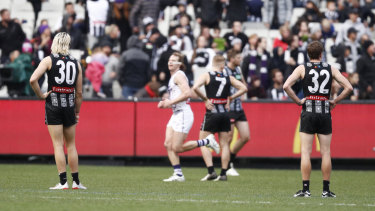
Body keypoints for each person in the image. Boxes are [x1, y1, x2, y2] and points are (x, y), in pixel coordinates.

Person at [283, 41, 353, 197]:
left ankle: (306, 189)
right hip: (324, 113)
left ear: (308, 55)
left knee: (306, 152)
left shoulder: (302, 68)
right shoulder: (331, 69)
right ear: (321, 54)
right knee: (326, 152)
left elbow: (286, 86)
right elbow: (349, 87)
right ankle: (326, 190)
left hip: (308, 112)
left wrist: (298, 101)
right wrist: (335, 100)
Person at [29, 32, 86, 190]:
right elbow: (79, 93)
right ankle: (76, 182)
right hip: (69, 106)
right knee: (72, 145)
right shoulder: (76, 63)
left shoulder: (48, 60)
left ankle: (63, 183)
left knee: (57, 145)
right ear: (68, 44)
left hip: (53, 105)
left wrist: (40, 95)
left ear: (54, 42)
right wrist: (77, 112)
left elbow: (33, 79)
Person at [158, 52, 220, 182]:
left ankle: (207, 141)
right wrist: (166, 102)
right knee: (168, 144)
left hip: (183, 113)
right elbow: (178, 96)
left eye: (174, 60)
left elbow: (187, 93)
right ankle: (178, 174)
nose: (170, 62)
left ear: (180, 64)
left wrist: (170, 102)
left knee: (177, 147)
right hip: (176, 113)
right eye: (170, 59)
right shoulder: (174, 76)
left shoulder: (179, 75)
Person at [193, 54, 247, 181]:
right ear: (223, 65)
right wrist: (231, 98)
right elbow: (244, 88)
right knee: (225, 144)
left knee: (203, 142)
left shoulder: (207, 75)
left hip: (212, 113)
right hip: (225, 113)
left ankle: (211, 171)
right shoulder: (228, 77)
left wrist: (205, 99)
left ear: (213, 63)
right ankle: (223, 173)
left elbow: (195, 87)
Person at [223, 50, 250, 176]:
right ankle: (227, 166)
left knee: (245, 137)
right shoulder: (225, 71)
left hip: (239, 107)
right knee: (228, 138)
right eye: (238, 57)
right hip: (229, 108)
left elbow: (243, 84)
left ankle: (231, 159)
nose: (240, 59)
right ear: (232, 58)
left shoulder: (238, 70)